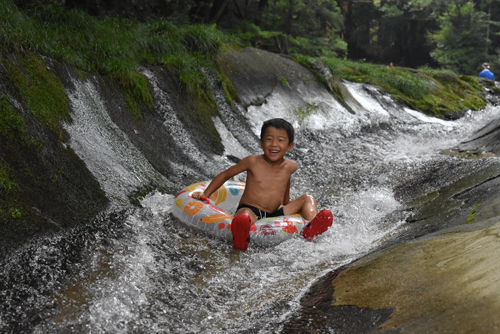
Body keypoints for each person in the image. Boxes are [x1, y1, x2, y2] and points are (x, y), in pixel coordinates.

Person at [192, 118, 333, 250]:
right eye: (269, 139)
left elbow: (285, 180)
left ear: (290, 146)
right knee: (244, 216)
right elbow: (225, 175)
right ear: (261, 143)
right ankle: (241, 236)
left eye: (281, 140)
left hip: (276, 212)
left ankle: (312, 227)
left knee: (308, 198)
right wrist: (206, 194)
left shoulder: (291, 166)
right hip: (252, 210)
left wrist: (287, 200)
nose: (274, 144)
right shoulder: (252, 162)